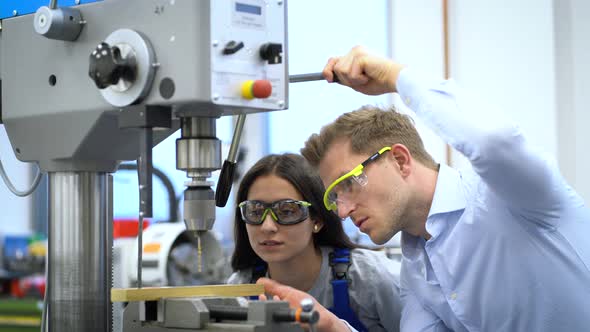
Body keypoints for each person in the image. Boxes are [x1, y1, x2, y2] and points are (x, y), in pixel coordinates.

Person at [258, 46, 590, 332]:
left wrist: (393, 76)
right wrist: (332, 326)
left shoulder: (514, 197)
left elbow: (494, 142)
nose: (342, 212)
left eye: (348, 184)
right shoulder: (417, 272)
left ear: (400, 160)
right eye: (334, 198)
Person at [227, 153, 402, 332]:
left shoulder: (371, 278)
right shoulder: (239, 290)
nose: (267, 226)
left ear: (317, 220)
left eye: (287, 211)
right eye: (255, 212)